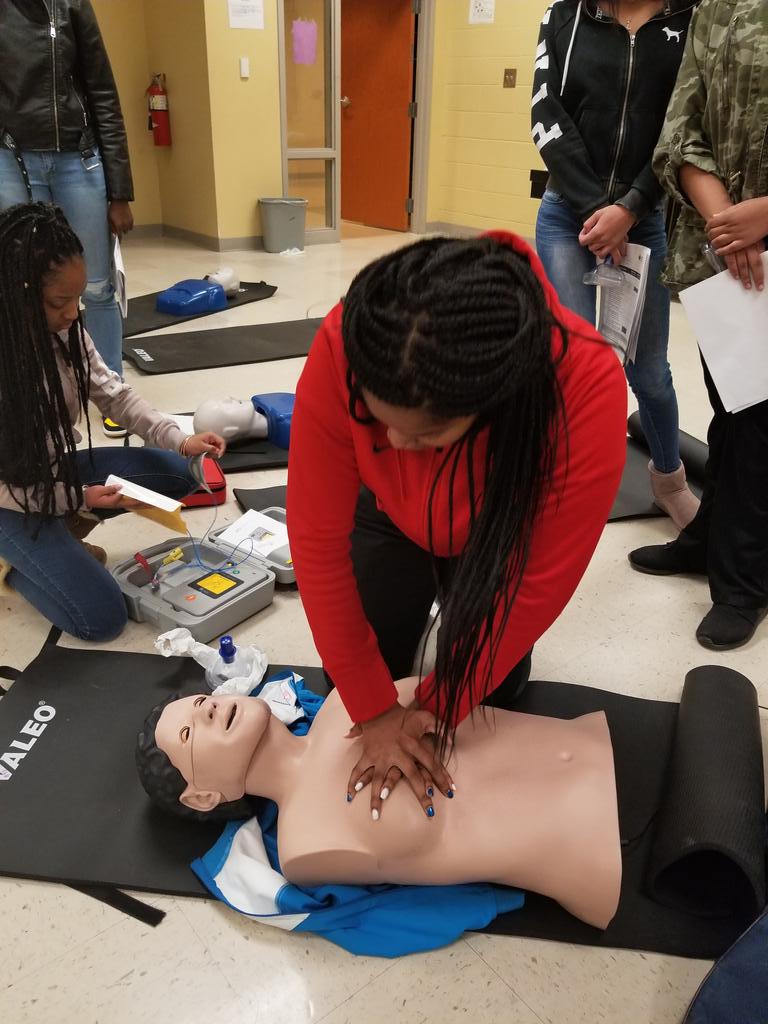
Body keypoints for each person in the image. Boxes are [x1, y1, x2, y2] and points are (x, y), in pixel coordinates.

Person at [285, 232, 627, 820]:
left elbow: (537, 584)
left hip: (496, 529)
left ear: (491, 404)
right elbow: (316, 542)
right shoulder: (356, 338)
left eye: (419, 437)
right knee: (352, 686)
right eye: (374, 419)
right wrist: (372, 708)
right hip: (388, 511)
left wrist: (443, 704)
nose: (390, 442)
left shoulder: (585, 386)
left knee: (496, 693)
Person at [136, 680, 623, 930]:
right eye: (188, 731)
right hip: (595, 856)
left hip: (594, 738)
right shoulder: (303, 848)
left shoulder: (341, 702)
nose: (207, 709)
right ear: (203, 797)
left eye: (200, 701)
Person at [0, 202, 226, 642]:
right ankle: (17, 565)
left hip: (47, 476)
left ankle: (54, 537)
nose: (72, 313)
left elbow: (114, 393)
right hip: (9, 499)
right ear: (15, 295)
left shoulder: (63, 330)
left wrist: (179, 439)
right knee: (100, 619)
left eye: (78, 299)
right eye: (58, 302)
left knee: (177, 475)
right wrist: (80, 497)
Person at [629, 0, 768, 650]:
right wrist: (727, 222)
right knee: (731, 409)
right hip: (720, 255)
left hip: (755, 246)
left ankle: (744, 582)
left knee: (762, 427)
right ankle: (710, 538)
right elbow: (679, 130)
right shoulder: (717, 6)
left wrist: (761, 217)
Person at [531, 0, 698, 528]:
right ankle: (565, 481)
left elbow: (685, 126)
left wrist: (629, 209)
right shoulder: (565, 15)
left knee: (649, 372)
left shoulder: (688, 20)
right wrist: (593, 209)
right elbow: (544, 110)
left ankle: (669, 480)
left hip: (643, 218)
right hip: (566, 215)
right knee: (573, 366)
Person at [0, 0, 134, 438]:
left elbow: (103, 94)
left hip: (79, 160)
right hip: (11, 158)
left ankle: (110, 389)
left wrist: (119, 192)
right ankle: (42, 391)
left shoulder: (71, 4)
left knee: (94, 286)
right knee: (28, 286)